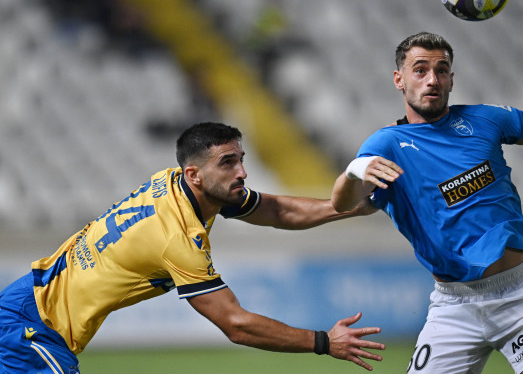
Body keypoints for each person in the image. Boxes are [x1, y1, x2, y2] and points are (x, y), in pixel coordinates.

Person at [331, 31, 523, 374]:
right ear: (399, 79)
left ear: (451, 79)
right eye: (420, 70)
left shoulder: (485, 119)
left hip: (518, 296)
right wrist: (355, 170)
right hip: (454, 306)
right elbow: (342, 202)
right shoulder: (386, 144)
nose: (432, 79)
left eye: (441, 70)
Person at [0, 122, 385, 374]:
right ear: (194, 174)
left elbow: (276, 210)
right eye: (228, 163)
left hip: (24, 307)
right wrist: (323, 342)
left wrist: (350, 207)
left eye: (241, 160)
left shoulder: (175, 184)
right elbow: (236, 324)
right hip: (31, 330)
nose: (242, 172)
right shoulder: (176, 237)